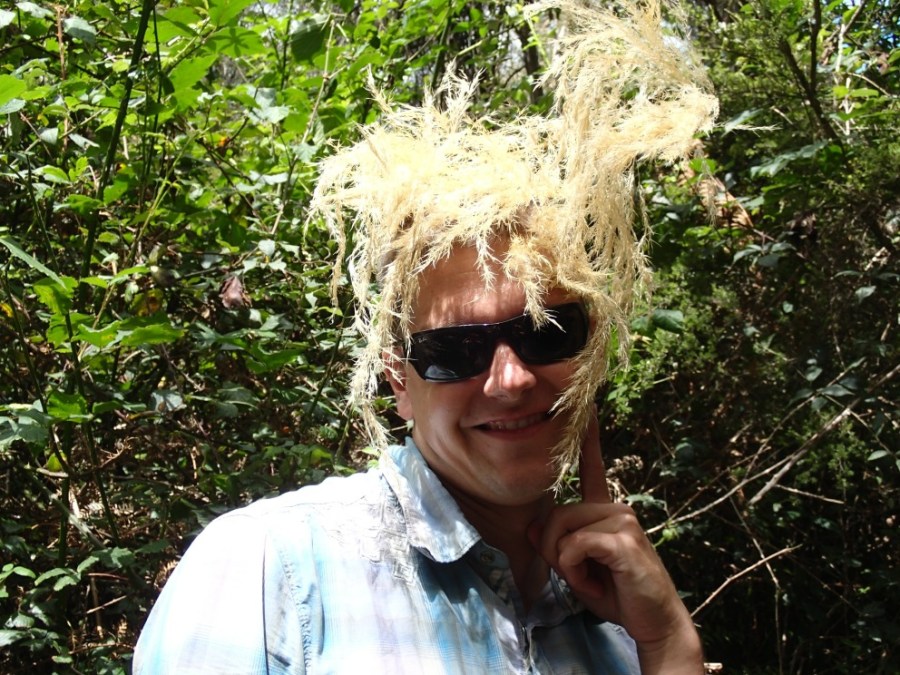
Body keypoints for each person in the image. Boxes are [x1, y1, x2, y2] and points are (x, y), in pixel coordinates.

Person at [134, 1, 717, 672]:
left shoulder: (617, 617)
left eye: (548, 331)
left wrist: (669, 643)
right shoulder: (273, 570)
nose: (511, 379)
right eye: (456, 351)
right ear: (398, 381)